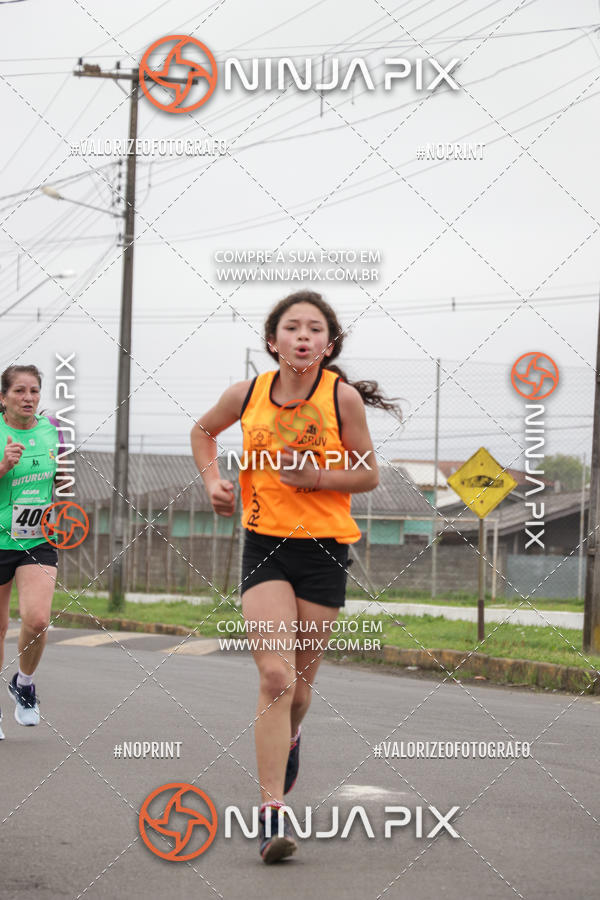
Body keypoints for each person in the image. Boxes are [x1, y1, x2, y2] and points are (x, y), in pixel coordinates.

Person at [191, 290, 400, 863]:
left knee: (300, 692)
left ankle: (293, 735)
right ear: (272, 340)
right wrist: (213, 482)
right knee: (274, 677)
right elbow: (202, 433)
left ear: (328, 344)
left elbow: (369, 473)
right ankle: (270, 813)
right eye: (292, 327)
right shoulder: (248, 393)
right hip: (265, 546)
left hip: (325, 552)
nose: (303, 336)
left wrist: (319, 478)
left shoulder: (343, 399)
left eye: (315, 329)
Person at [0, 365, 63, 739]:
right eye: (20, 391)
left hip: (35, 538)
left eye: (34, 391)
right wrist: (3, 466)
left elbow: (54, 481)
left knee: (38, 620)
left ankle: (25, 684)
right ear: (3, 397)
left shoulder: (50, 431)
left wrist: (58, 512)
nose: (28, 398)